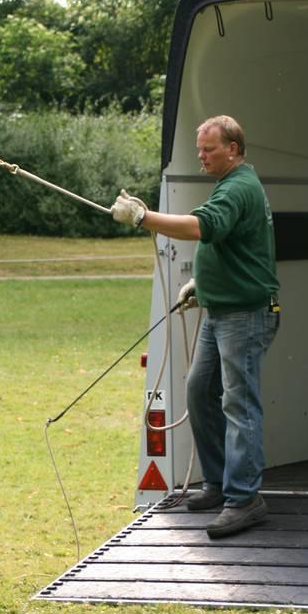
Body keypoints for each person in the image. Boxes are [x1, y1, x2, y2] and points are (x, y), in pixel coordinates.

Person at [111, 115, 280, 539]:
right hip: (221, 309)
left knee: (239, 406)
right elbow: (228, 245)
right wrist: (200, 284)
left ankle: (245, 500)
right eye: (199, 148)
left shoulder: (238, 187)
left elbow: (198, 227)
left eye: (209, 149)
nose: (201, 156)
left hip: (244, 315)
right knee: (199, 390)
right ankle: (221, 483)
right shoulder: (231, 184)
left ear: (234, 150)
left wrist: (143, 217)